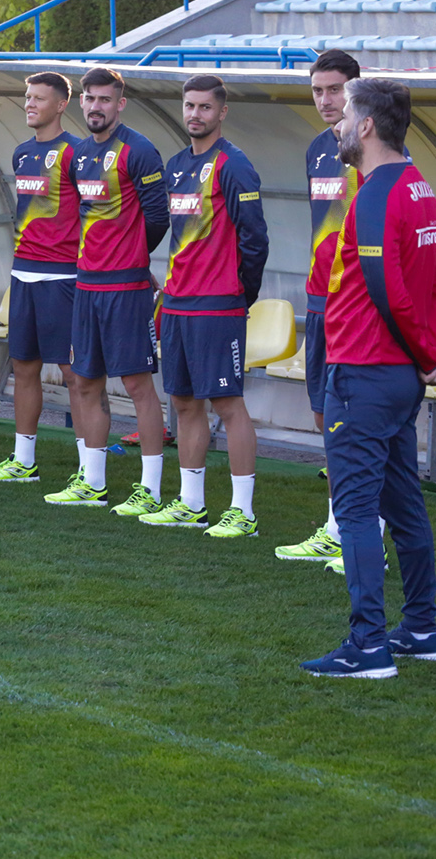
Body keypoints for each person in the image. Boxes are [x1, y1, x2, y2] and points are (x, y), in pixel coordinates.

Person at [302, 77, 436, 678]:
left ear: (365, 126)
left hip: (363, 373)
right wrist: (428, 353)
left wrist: (425, 352)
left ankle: (368, 646)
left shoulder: (374, 196)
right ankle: (421, 629)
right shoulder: (420, 188)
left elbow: (387, 290)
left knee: (357, 510)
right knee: (404, 505)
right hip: (397, 375)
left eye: (345, 114)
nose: (338, 123)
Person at [134, 75, 268, 536]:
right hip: (176, 304)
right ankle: (191, 504)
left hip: (217, 306)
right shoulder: (175, 165)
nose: (195, 114)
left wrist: (240, 293)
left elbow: (255, 239)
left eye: (205, 107)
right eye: (189, 106)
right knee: (184, 403)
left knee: (228, 404)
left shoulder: (234, 165)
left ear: (222, 112)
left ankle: (243, 513)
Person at [43, 67, 169, 510]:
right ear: (81, 102)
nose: (96, 107)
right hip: (87, 284)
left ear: (120, 104)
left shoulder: (139, 150)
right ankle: (92, 482)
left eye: (105, 99)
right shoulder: (79, 154)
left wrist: (132, 257)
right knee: (84, 382)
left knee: (136, 385)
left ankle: (150, 490)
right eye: (90, 98)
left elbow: (158, 217)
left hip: (125, 287)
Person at [276, 49, 370, 567]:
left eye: (335, 90)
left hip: (356, 306)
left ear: (356, 90)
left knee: (356, 423)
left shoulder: (376, 147)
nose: (326, 99)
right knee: (325, 416)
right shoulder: (316, 148)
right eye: (318, 90)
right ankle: (338, 526)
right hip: (318, 303)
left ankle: (362, 533)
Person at [0, 72, 83, 484]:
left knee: (75, 373)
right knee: (23, 367)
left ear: (61, 105)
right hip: (23, 274)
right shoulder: (22, 153)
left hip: (64, 278)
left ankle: (88, 469)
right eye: (28, 97)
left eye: (39, 98)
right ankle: (24, 461)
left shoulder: (77, 153)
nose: (30, 104)